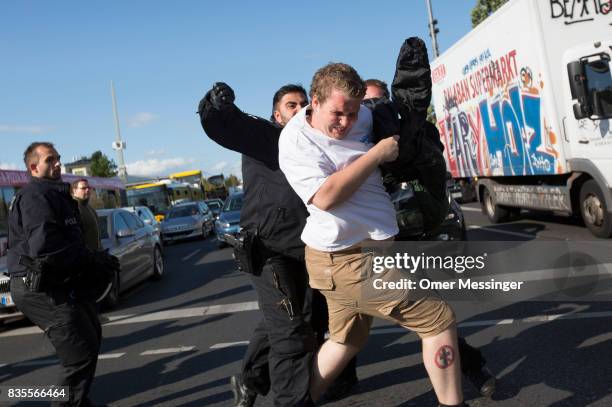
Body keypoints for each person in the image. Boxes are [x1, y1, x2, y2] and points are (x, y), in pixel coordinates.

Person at [279, 63, 466, 406]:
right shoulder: (295, 141)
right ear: (315, 102)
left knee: (345, 341)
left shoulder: (361, 116)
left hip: (354, 257)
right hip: (346, 262)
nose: (346, 122)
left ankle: (294, 403)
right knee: (438, 320)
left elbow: (390, 123)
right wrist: (376, 153)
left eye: (353, 112)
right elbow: (326, 197)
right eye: (337, 113)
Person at [363, 78, 496, 397]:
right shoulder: (361, 141)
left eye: (379, 102)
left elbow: (433, 172)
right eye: (366, 104)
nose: (373, 110)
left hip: (410, 236)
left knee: (427, 315)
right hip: (370, 242)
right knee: (349, 326)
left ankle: (471, 368)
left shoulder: (417, 132)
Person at [198, 84, 316, 407]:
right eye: (292, 105)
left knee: (289, 322)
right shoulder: (268, 138)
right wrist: (215, 106)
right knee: (290, 334)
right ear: (277, 115)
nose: (300, 109)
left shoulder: (315, 144)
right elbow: (231, 126)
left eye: (305, 104)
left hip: (306, 249)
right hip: (268, 252)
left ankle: (249, 381)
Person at [7, 142, 103, 407]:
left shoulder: (56, 194)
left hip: (55, 281)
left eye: (58, 158)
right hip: (37, 286)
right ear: (34, 167)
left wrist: (91, 262)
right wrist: (89, 259)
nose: (58, 163)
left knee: (91, 335)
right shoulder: (36, 197)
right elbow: (46, 248)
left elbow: (69, 241)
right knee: (79, 352)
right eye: (50, 160)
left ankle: (78, 402)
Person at [71, 179, 102, 252]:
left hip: (95, 256)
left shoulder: (89, 208)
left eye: (88, 188)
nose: (87, 190)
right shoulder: (72, 208)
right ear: (74, 191)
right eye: (83, 188)